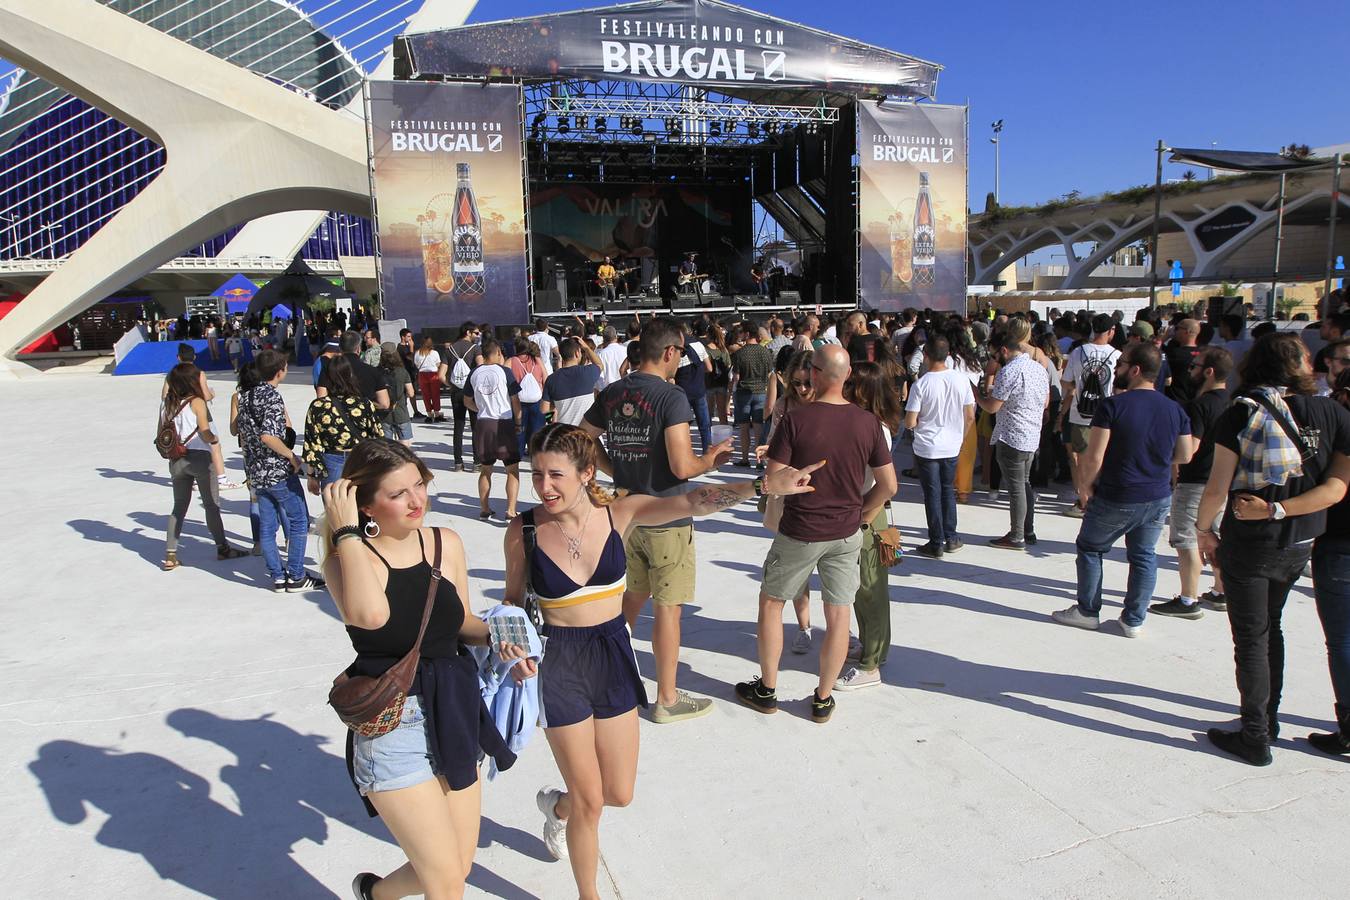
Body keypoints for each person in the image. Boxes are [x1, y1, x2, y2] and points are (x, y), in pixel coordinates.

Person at [508, 424, 817, 897]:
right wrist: (510, 644)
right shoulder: (524, 528)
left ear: (587, 472)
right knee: (593, 801)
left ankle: (558, 808)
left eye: (556, 475)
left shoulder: (620, 513)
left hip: (612, 654)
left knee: (618, 794)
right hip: (559, 664)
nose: (544, 486)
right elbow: (512, 602)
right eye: (537, 475)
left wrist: (761, 486)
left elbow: (693, 503)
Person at [320, 440, 526, 900]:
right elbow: (372, 617)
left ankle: (375, 894)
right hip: (394, 726)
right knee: (446, 883)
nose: (417, 501)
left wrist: (501, 638)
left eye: (420, 484)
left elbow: (460, 624)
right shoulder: (346, 560)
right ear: (365, 505)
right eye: (398, 494)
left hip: (454, 709)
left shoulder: (443, 542)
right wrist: (346, 533)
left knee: (458, 866)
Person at [1196, 333, 1350, 765]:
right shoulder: (1333, 411)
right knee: (1271, 626)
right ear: (1301, 365)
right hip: (1301, 539)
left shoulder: (1241, 413)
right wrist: (1283, 511)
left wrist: (1203, 530)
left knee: (1251, 637)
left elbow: (1217, 487)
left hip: (1250, 539)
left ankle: (1256, 734)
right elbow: (1336, 488)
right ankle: (1267, 717)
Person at [582, 317, 735, 723]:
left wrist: (616, 470)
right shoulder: (672, 397)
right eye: (680, 353)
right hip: (667, 516)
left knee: (630, 598)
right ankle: (665, 697)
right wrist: (711, 459)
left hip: (627, 514)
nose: (680, 360)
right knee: (668, 609)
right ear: (669, 352)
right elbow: (682, 465)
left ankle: (606, 677)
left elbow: (581, 438)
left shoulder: (614, 391)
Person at [736, 345, 896, 723]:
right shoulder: (868, 423)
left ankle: (768, 689)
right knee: (839, 615)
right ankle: (823, 698)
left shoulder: (797, 420)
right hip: (846, 532)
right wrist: (861, 513)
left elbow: (774, 482)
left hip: (802, 530)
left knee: (772, 604)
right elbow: (888, 485)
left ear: (819, 374)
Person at [1051, 343, 1193, 636]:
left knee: (1091, 548)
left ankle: (1087, 611)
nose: (1116, 369)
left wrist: (1084, 487)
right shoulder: (1174, 409)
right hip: (1157, 495)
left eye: (1122, 364)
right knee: (1143, 555)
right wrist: (1156, 459)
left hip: (1118, 493)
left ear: (1136, 369)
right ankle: (1134, 619)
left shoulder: (1113, 406)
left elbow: (1094, 455)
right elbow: (1185, 455)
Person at [1151, 347, 1233, 619]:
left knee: (1187, 541)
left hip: (1196, 482)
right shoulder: (1235, 402)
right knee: (1216, 538)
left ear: (1208, 372)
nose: (1190, 371)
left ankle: (1188, 598)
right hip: (1224, 482)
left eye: (1195, 367)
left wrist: (1168, 462)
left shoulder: (1200, 406)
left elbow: (1189, 451)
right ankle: (1221, 591)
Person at [835, 360, 902, 691]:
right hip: (866, 513)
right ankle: (872, 647)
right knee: (862, 591)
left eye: (849, 384)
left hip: (867, 516)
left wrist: (862, 513)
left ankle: (871, 664)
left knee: (870, 590)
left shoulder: (874, 428)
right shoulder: (868, 423)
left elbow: (886, 483)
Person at [234, 349, 319, 592]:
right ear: (280, 371)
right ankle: (296, 574)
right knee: (299, 519)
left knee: (268, 526)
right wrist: (292, 455)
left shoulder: (245, 396)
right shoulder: (271, 397)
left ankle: (277, 576)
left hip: (256, 471)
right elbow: (268, 436)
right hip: (277, 471)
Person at [160, 363, 247, 571]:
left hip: (176, 459)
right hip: (199, 457)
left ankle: (170, 554)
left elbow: (161, 434)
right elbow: (204, 430)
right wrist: (214, 440)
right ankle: (222, 547)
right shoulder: (196, 401)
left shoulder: (166, 404)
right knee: (211, 505)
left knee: (179, 507)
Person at [760, 349, 817, 654]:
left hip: (825, 494)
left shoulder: (828, 406)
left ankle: (839, 629)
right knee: (798, 569)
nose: (802, 389)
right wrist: (767, 450)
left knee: (837, 571)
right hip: (790, 493)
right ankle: (805, 626)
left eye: (808, 383)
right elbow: (774, 443)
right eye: (796, 383)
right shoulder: (785, 405)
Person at [976, 331, 1050, 550]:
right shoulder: (1039, 368)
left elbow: (992, 406)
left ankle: (1017, 535)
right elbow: (1045, 403)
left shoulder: (1009, 371)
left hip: (1011, 437)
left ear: (1005, 350)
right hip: (1031, 435)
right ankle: (1027, 530)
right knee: (1024, 484)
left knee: (1016, 489)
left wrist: (976, 394)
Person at [905, 335, 975, 557]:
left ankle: (935, 541)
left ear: (926, 356)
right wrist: (961, 436)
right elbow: (970, 415)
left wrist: (913, 425)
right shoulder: (961, 380)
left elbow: (910, 421)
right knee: (947, 490)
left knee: (932, 494)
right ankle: (951, 536)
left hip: (927, 446)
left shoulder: (921, 384)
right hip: (952, 445)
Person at [1060, 314, 1120, 517]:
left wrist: (1077, 388)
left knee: (1083, 460)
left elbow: (1066, 382)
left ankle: (1085, 501)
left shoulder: (1078, 352)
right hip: (1108, 415)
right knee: (1104, 459)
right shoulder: (1117, 356)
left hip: (1081, 414)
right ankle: (1099, 501)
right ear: (1111, 331)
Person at [304, 355, 383, 493]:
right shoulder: (363, 404)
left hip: (332, 461)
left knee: (334, 509)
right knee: (361, 507)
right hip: (359, 460)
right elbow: (377, 436)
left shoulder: (318, 406)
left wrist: (311, 476)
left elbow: (312, 444)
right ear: (350, 375)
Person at [464, 339, 522, 520]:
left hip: (483, 424)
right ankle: (511, 510)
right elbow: (515, 400)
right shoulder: (505, 372)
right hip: (503, 422)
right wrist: (519, 422)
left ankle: (484, 509)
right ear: (497, 352)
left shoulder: (474, 373)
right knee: (512, 469)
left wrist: (480, 409)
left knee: (485, 469)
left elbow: (467, 401)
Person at [730, 323, 773, 468]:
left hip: (743, 393)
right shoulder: (765, 352)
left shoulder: (739, 354)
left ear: (747, 334)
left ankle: (744, 458)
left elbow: (736, 377)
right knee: (758, 429)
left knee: (743, 429)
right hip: (761, 392)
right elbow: (769, 375)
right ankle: (759, 460)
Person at [318, 331, 391, 413]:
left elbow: (321, 398)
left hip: (337, 419)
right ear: (358, 348)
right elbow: (384, 404)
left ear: (340, 347)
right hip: (364, 419)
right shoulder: (373, 371)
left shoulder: (328, 369)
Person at [542, 335, 603, 427]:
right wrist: (586, 347)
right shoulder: (588, 372)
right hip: (587, 434)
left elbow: (544, 409)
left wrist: (551, 423)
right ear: (577, 353)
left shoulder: (551, 380)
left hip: (565, 434)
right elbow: (599, 364)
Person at [446, 323, 483, 471]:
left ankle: (458, 462)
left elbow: (440, 374)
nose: (478, 335)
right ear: (468, 332)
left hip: (456, 392)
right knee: (475, 427)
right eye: (476, 333)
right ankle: (476, 462)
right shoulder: (475, 349)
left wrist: (453, 384)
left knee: (458, 426)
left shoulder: (450, 349)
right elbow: (480, 369)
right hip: (471, 392)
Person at [674, 320, 714, 452]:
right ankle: (707, 453)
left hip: (682, 392)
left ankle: (685, 454)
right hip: (699, 390)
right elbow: (709, 368)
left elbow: (671, 374)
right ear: (689, 331)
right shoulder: (699, 345)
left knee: (683, 426)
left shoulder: (675, 350)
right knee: (704, 425)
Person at [509, 338, 549, 459]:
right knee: (537, 430)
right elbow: (546, 379)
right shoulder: (537, 360)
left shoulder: (511, 361)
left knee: (519, 429)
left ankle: (518, 454)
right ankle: (536, 455)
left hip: (518, 402)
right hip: (538, 401)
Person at [378, 343, 415, 446]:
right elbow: (411, 393)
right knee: (405, 443)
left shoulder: (377, 372)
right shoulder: (402, 371)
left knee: (386, 445)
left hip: (384, 413)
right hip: (401, 412)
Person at [413, 337, 445, 424]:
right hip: (433, 374)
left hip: (422, 374)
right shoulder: (434, 353)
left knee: (425, 395)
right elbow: (438, 364)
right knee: (435, 395)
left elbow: (416, 364)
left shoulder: (417, 353)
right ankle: (437, 414)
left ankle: (429, 415)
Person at [397, 328, 424, 420]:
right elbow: (410, 357)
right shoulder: (400, 348)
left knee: (412, 393)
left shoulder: (407, 347)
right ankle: (404, 413)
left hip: (411, 373)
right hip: (405, 373)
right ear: (403, 337)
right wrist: (412, 347)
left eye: (410, 337)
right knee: (405, 393)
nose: (410, 339)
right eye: (408, 336)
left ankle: (415, 411)